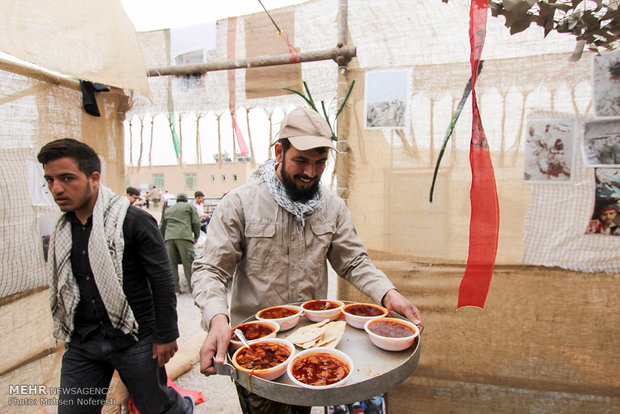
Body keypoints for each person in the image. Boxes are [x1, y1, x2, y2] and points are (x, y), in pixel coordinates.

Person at [191, 107, 423, 414]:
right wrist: (217, 319)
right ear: (279, 151)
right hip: (256, 346)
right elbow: (211, 268)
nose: (310, 173)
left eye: (320, 162)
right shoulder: (241, 203)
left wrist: (387, 293)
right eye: (301, 160)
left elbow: (353, 261)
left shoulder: (332, 208)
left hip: (311, 344)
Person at [37, 138, 194, 414]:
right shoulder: (63, 231)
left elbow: (162, 280)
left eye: (66, 178)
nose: (56, 188)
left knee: (156, 406)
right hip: (83, 342)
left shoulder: (133, 221)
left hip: (135, 339)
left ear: (94, 178)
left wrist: (166, 333)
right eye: (49, 180)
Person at [160, 192, 201, 294]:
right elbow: (196, 222)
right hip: (184, 237)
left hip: (169, 238)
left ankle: (175, 290)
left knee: (172, 264)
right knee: (188, 263)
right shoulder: (189, 206)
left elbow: (162, 226)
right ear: (186, 200)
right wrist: (196, 236)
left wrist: (163, 239)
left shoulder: (168, 210)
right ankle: (192, 289)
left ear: (176, 200)